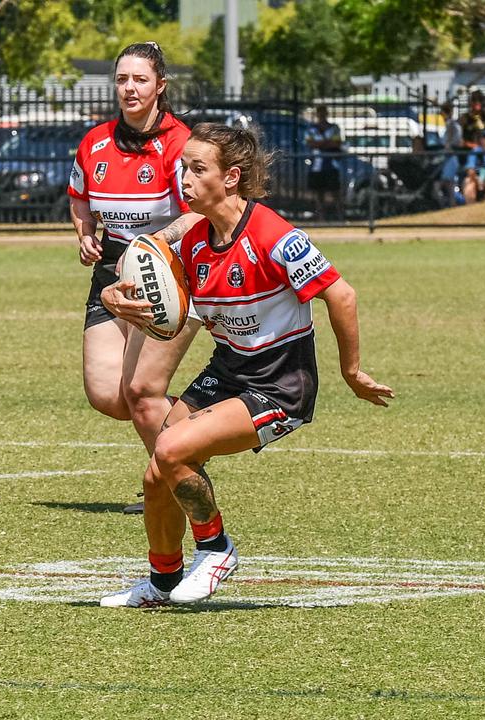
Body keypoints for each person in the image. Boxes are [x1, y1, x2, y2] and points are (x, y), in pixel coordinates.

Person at [96, 122, 394, 607]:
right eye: (181, 167)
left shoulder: (272, 235)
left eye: (196, 169)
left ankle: (215, 548)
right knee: (157, 472)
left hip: (279, 385)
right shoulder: (194, 242)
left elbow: (341, 294)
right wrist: (116, 297)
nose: (183, 178)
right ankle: (161, 582)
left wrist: (351, 371)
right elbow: (146, 286)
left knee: (170, 449)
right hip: (230, 371)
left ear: (231, 177)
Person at [68, 42, 202, 515]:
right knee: (108, 395)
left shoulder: (178, 143)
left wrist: (154, 243)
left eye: (140, 79)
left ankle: (173, 479)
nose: (129, 88)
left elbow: (195, 216)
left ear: (160, 86)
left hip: (166, 269)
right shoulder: (95, 142)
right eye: (122, 79)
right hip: (110, 270)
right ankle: (196, 426)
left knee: (140, 391)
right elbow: (80, 196)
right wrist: (85, 234)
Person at [304, 105, 344, 220]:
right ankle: (321, 218)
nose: (321, 115)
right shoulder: (311, 128)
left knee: (335, 192)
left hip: (331, 165)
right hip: (316, 167)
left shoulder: (334, 128)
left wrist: (320, 143)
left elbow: (336, 143)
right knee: (318, 193)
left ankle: (340, 217)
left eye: (323, 113)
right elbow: (311, 143)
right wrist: (328, 142)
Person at [437, 101, 465, 207]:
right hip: (451, 157)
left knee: (447, 183)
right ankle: (451, 203)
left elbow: (449, 142)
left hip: (450, 158)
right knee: (449, 184)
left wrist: (446, 146)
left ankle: (449, 204)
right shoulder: (455, 124)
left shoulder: (451, 124)